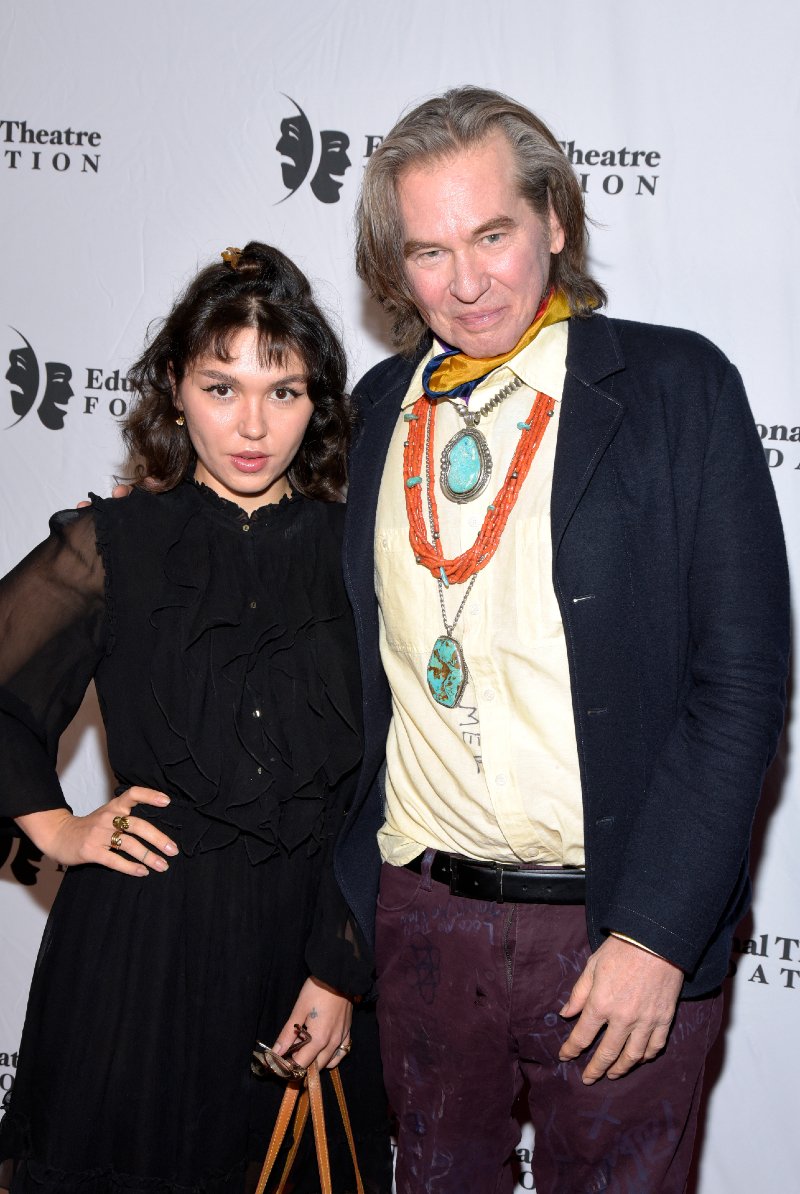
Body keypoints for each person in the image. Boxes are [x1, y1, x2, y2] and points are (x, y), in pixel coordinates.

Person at [331, 86, 790, 1193]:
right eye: (430, 252)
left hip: (614, 930)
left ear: (553, 220)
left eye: (491, 234)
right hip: (424, 922)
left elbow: (738, 684)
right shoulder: (376, 407)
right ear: (397, 271)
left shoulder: (676, 388)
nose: (468, 280)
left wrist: (656, 936)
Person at [0, 242, 391, 1194]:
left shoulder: (366, 551)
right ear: (176, 388)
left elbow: (392, 781)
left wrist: (340, 971)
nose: (251, 424)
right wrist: (60, 826)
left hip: (307, 952)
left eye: (284, 391)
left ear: (320, 403)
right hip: (141, 951)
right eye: (222, 387)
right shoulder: (115, 542)